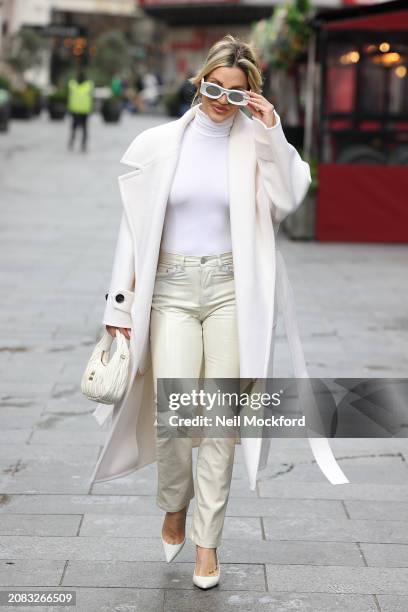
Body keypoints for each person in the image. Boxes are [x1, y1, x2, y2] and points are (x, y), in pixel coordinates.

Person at [98, 34, 315, 590]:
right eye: (215, 86)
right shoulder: (160, 143)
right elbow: (134, 227)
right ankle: (174, 502)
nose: (223, 98)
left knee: (217, 423)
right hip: (168, 289)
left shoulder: (255, 143)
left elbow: (290, 198)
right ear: (200, 82)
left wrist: (272, 131)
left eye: (237, 93)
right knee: (175, 419)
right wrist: (117, 306)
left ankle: (207, 541)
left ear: (251, 95)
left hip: (229, 290)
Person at [67, 69, 94, 152]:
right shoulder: (89, 85)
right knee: (84, 128)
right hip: (85, 110)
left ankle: (72, 141)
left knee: (74, 127)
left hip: (74, 110)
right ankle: (83, 144)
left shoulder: (72, 85)